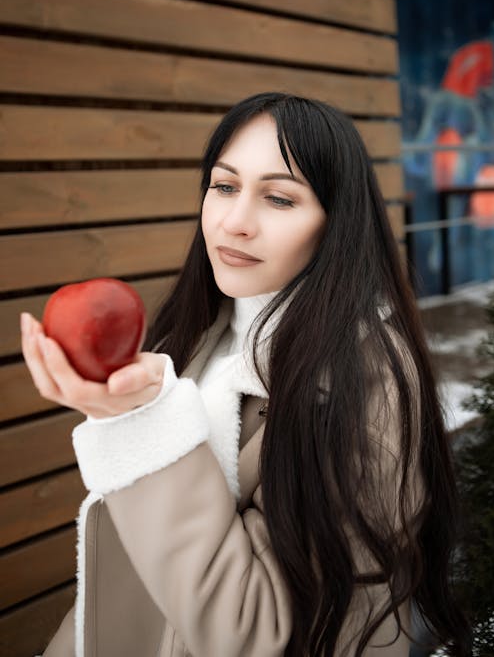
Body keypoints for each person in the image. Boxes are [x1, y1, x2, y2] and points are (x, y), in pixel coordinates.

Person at [21, 93, 470, 657]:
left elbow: (257, 633)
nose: (234, 223)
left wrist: (140, 429)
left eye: (279, 198)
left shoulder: (365, 387)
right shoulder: (196, 334)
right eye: (224, 186)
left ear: (337, 226)